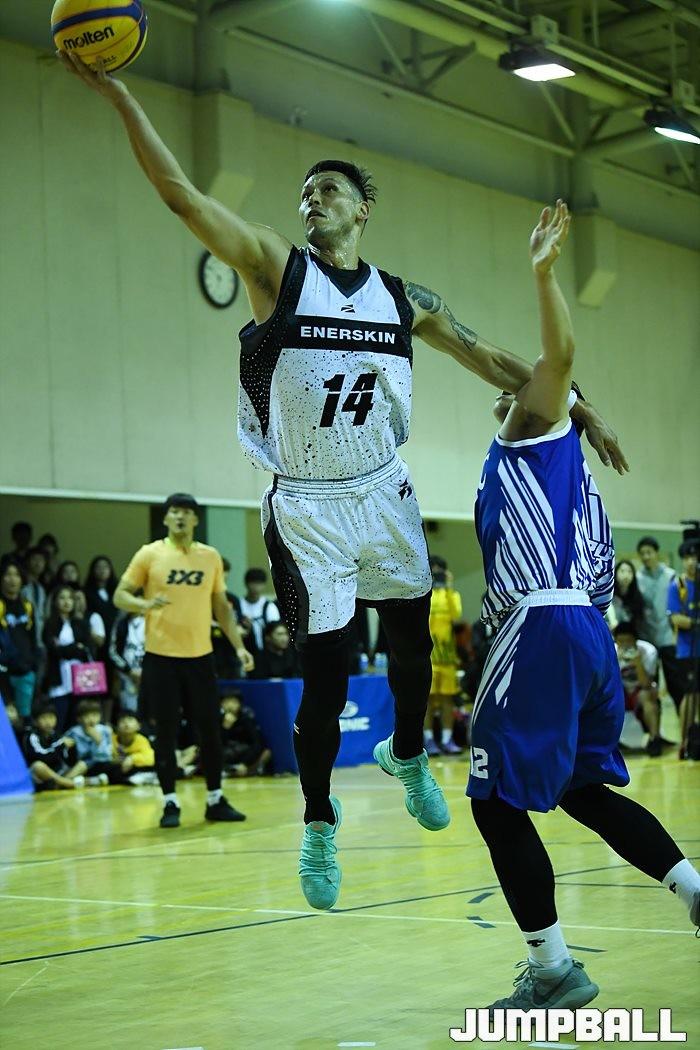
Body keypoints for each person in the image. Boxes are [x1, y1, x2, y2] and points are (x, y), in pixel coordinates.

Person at [58, 51, 626, 910]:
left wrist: (579, 407)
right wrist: (120, 93)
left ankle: (408, 751)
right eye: (306, 193)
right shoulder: (274, 268)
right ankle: (320, 821)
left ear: (363, 209)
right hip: (306, 502)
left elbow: (492, 360)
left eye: (329, 190)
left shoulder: (403, 299)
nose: (312, 200)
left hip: (383, 487)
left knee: (411, 648)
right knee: (324, 678)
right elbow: (182, 196)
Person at [467, 201, 699, 1012]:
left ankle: (553, 967)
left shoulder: (534, 435)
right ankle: (694, 888)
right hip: (589, 638)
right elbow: (516, 366)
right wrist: (583, 406)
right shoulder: (577, 473)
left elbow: (544, 358)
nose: (508, 393)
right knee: (582, 793)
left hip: (541, 629)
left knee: (494, 804)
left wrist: (542, 274)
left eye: (523, 390)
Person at [113, 493, 254, 828]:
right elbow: (120, 595)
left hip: (200, 658)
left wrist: (238, 647)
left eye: (187, 512)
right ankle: (169, 802)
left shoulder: (210, 557)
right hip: (160, 659)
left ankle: (215, 799)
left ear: (195, 519)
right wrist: (144, 605)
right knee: (165, 732)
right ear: (166, 518)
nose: (180, 517)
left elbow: (221, 607)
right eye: (174, 511)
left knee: (210, 730)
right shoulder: (150, 554)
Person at [636, 536, 683, 712]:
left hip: (668, 638)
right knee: (650, 688)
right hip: (648, 640)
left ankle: (686, 725)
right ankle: (654, 728)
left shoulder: (671, 576)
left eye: (649, 552)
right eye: (642, 554)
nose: (646, 557)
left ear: (657, 553)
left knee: (676, 684)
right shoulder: (638, 578)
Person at [42, 585, 94, 732]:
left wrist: (65, 648)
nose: (66, 602)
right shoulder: (50, 624)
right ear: (55, 601)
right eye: (62, 598)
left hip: (80, 677)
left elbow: (86, 649)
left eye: (70, 598)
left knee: (77, 719)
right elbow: (54, 651)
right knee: (59, 718)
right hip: (59, 677)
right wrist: (75, 647)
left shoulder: (81, 623)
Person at [425, 557, 463, 755]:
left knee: (448, 699)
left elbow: (456, 614)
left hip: (447, 657)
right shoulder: (424, 595)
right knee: (429, 700)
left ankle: (447, 739)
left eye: (440, 572)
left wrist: (448, 586)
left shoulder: (452, 595)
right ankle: (429, 739)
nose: (436, 575)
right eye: (434, 571)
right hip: (429, 655)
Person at [667, 540, 699, 760]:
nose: (691, 562)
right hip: (687, 651)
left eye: (695, 557)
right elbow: (677, 619)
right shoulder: (677, 585)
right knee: (690, 695)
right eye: (687, 558)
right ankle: (684, 741)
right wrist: (694, 623)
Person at [613, 621, 661, 755]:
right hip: (620, 691)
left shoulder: (648, 651)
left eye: (628, 641)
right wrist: (615, 662)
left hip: (639, 690)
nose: (625, 645)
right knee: (602, 700)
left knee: (647, 695)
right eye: (621, 641)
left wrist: (638, 663)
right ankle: (609, 742)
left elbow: (645, 683)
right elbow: (607, 683)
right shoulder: (610, 651)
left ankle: (655, 739)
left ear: (636, 640)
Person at [0, 558, 39, 721]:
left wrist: (32, 664)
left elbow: (33, 638)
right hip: (3, 671)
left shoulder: (27, 606)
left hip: (25, 671)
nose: (12, 579)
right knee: (5, 719)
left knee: (24, 719)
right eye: (8, 574)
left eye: (16, 575)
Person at [25, 703, 86, 791]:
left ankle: (59, 784)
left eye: (51, 717)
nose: (48, 722)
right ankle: (69, 783)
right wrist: (61, 746)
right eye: (44, 718)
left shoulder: (56, 735)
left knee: (82, 765)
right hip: (42, 775)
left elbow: (67, 760)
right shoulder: (32, 736)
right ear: (35, 721)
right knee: (38, 766)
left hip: (57, 773)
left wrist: (72, 748)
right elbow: (42, 757)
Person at [65, 699, 116, 786]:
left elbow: (107, 755)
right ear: (79, 719)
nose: (91, 719)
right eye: (87, 716)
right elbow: (63, 745)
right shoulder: (74, 732)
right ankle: (91, 781)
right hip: (82, 764)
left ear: (100, 716)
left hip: (101, 763)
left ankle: (63, 782)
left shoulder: (105, 731)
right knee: (81, 764)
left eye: (95, 715)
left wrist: (98, 742)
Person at [220, 693, 271, 777]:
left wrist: (245, 763)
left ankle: (249, 770)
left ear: (239, 704)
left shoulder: (246, 720)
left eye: (233, 702)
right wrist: (225, 728)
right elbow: (217, 745)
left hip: (245, 757)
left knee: (266, 753)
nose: (230, 706)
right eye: (226, 702)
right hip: (227, 757)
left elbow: (258, 744)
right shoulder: (217, 720)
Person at [236, 568, 280, 655]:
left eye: (259, 583)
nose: (255, 587)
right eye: (253, 583)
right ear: (246, 583)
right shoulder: (238, 605)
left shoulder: (270, 607)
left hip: (266, 653)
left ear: (264, 585)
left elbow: (276, 630)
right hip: (244, 650)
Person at [109, 608, 145, 713]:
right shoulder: (121, 624)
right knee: (129, 710)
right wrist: (129, 670)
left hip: (149, 674)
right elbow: (113, 652)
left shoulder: (153, 623)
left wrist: (146, 670)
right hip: (126, 675)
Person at [112, 712, 157, 785]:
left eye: (130, 720)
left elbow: (151, 757)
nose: (126, 724)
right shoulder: (111, 739)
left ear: (138, 726)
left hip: (135, 768)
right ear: (117, 726)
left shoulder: (141, 740)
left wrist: (132, 759)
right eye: (122, 721)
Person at [606, 559, 645, 635]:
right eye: (622, 571)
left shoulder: (637, 597)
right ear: (615, 573)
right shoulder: (608, 596)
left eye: (629, 572)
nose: (626, 575)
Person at [22, 547, 49, 644]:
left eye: (41, 560)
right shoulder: (20, 585)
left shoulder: (42, 588)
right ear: (27, 561)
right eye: (34, 559)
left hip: (40, 638)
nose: (38, 563)